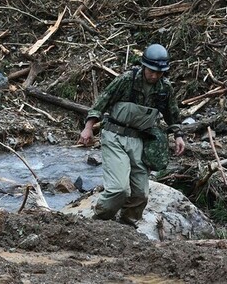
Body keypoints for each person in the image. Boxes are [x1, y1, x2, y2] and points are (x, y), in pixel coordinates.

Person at [78, 44, 186, 227]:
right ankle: (98, 222)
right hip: (115, 136)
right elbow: (101, 103)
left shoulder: (164, 88)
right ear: (144, 66)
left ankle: (127, 224)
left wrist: (178, 135)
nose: (155, 76)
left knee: (140, 194)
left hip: (140, 140)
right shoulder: (127, 80)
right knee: (119, 189)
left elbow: (172, 114)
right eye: (152, 71)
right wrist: (88, 128)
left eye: (159, 73)